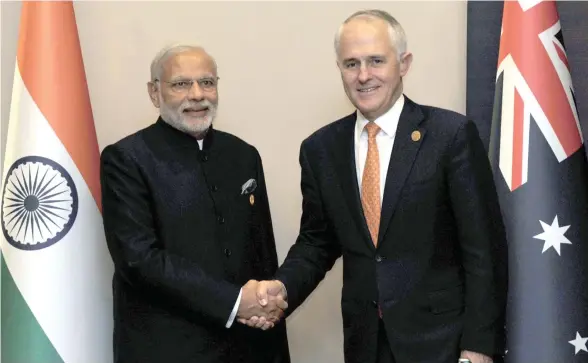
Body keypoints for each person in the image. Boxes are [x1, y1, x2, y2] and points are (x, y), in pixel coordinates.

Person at [248, 9, 508, 363]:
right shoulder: (320, 149)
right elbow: (317, 242)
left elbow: (483, 251)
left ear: (404, 63)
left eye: (376, 61)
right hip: (365, 343)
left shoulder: (450, 136)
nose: (364, 75)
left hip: (442, 344)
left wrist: (478, 348)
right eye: (351, 63)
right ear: (339, 68)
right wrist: (281, 289)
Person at [100, 44, 290, 363]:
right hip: (168, 348)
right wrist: (233, 302)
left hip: (248, 346)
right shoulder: (126, 160)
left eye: (207, 82)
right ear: (155, 93)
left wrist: (267, 306)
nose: (197, 94)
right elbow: (139, 260)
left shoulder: (243, 155)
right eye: (181, 84)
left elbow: (262, 251)